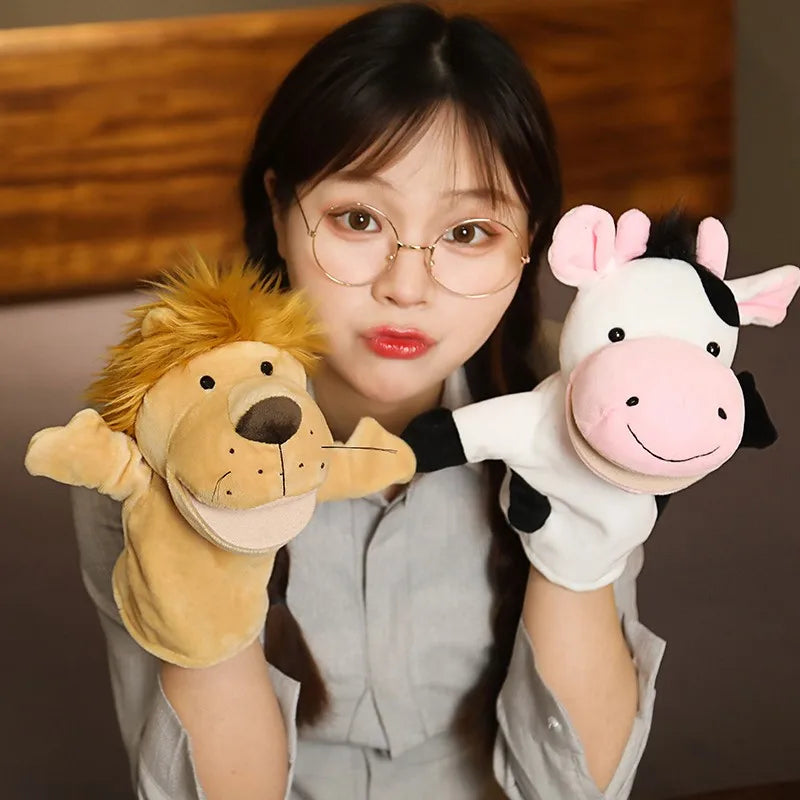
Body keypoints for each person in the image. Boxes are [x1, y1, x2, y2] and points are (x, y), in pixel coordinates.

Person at [71, 3, 665, 798]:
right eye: (358, 219)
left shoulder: (585, 404)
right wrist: (207, 553)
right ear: (281, 210)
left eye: (468, 233)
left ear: (531, 243)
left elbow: (578, 788)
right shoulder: (149, 444)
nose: (405, 287)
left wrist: (581, 524)